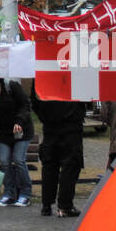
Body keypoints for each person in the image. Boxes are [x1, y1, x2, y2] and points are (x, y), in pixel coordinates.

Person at [0, 67, 34, 207]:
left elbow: (25, 105)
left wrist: (19, 122)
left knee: (18, 160)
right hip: (4, 131)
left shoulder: (11, 86)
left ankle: (25, 193)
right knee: (4, 161)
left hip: (21, 130)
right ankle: (9, 193)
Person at [32, 89, 85, 217]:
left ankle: (46, 205)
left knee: (49, 166)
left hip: (50, 127)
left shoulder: (43, 72)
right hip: (71, 127)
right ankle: (65, 205)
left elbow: (35, 100)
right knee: (70, 166)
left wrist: (44, 114)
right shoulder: (75, 72)